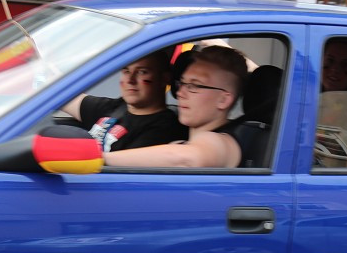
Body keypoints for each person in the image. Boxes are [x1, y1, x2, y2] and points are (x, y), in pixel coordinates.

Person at [102, 46, 250, 168]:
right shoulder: (186, 139)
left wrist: (100, 159)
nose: (180, 93)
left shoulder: (220, 142)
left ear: (223, 100)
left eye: (194, 86)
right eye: (182, 83)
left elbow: (186, 159)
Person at [60, 49, 187, 152]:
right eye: (126, 71)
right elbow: (61, 95)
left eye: (142, 72)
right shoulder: (118, 106)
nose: (130, 80)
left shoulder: (162, 130)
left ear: (165, 79)